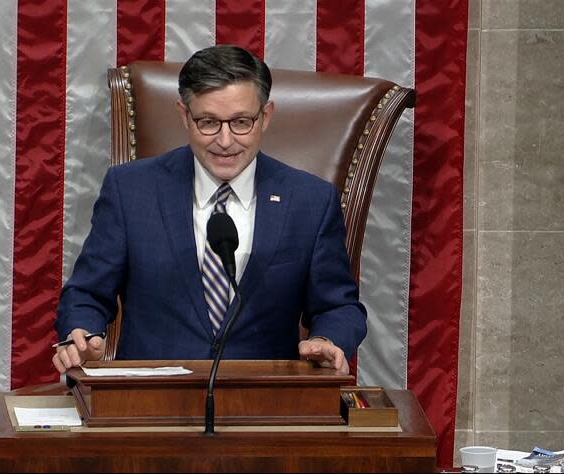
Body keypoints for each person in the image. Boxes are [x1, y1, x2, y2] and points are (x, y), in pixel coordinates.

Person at [53, 45, 366, 375]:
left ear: (267, 115)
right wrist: (83, 335)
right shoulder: (131, 190)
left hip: (264, 403)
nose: (226, 141)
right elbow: (86, 293)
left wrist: (327, 339)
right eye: (208, 122)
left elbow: (338, 305)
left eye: (242, 122)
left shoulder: (310, 200)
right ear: (184, 115)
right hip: (151, 404)